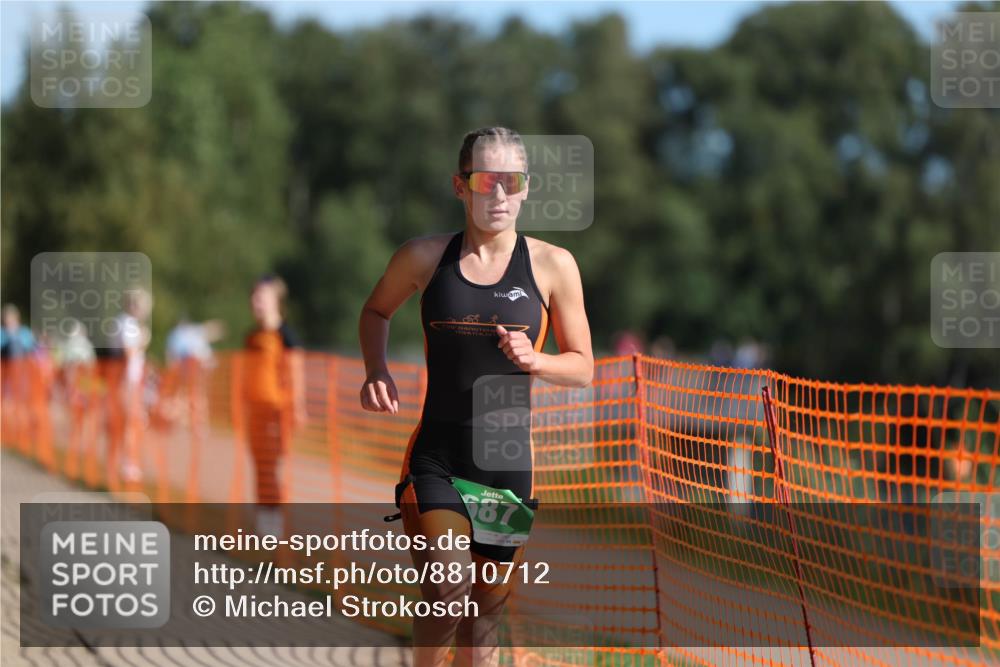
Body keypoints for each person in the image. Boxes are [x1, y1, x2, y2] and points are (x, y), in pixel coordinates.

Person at [358, 127, 593, 667]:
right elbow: (375, 311)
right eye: (486, 180)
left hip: (506, 463)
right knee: (446, 592)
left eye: (511, 181)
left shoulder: (553, 265)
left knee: (484, 617)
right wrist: (376, 368)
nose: (499, 195)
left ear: (526, 188)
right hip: (437, 456)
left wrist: (538, 360)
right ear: (460, 186)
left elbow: (582, 367)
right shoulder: (422, 257)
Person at [241, 275, 305, 537]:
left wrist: (297, 408)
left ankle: (273, 524)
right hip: (253, 412)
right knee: (259, 465)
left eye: (262, 297)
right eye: (254, 297)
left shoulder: (285, 336)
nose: (256, 302)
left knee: (271, 467)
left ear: (276, 301)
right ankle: (263, 519)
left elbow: (296, 375)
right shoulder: (252, 336)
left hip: (277, 412)